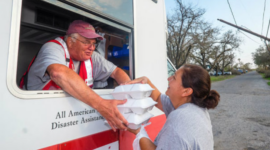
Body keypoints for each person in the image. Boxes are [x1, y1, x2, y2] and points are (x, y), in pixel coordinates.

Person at [20, 20, 131, 131]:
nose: (91, 48)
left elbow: (116, 72)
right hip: (34, 116)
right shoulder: (53, 47)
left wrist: (130, 95)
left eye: (94, 43)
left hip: (69, 119)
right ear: (70, 41)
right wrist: (102, 105)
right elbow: (58, 73)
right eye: (86, 42)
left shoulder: (92, 56)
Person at [126, 64, 220, 150]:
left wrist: (139, 132)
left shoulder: (180, 118)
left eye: (174, 77)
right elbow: (158, 98)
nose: (168, 78)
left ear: (186, 91)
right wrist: (146, 82)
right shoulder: (195, 108)